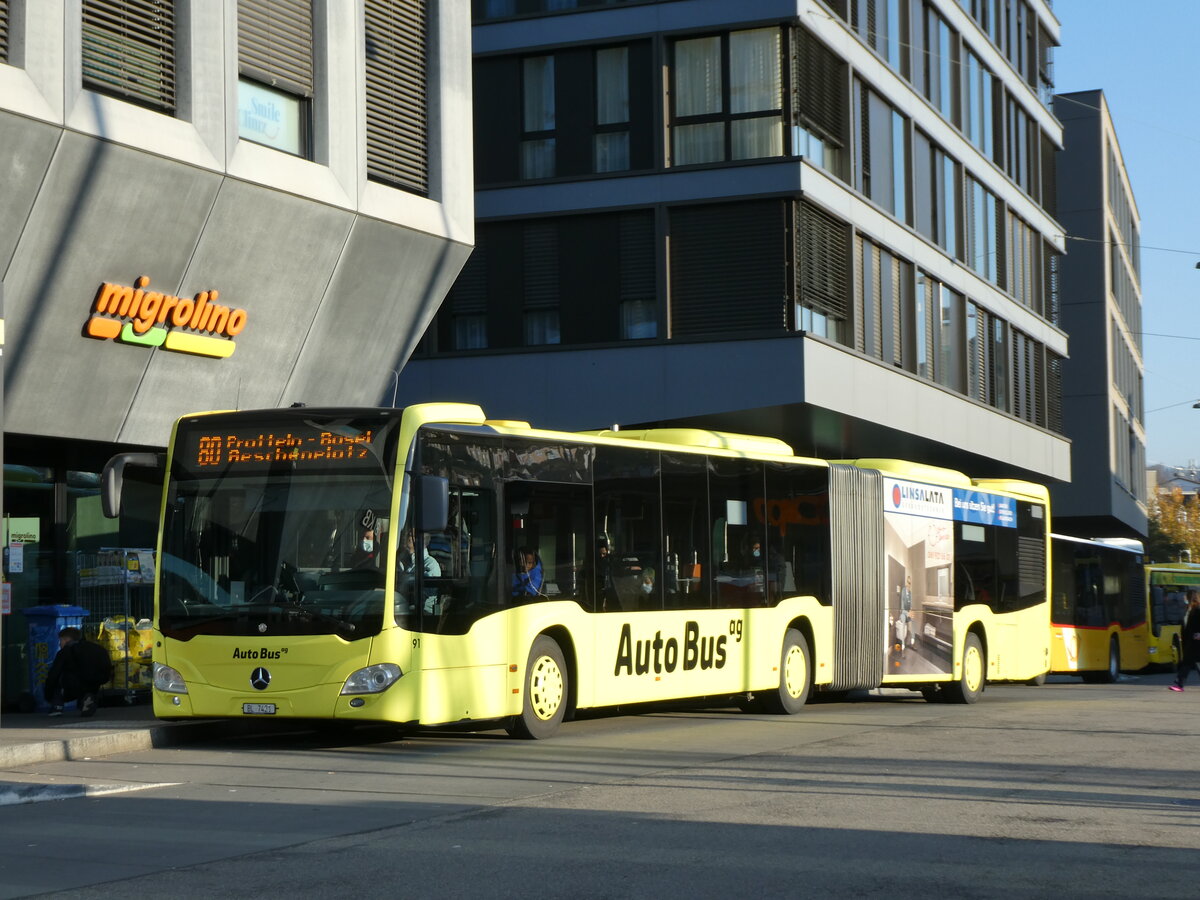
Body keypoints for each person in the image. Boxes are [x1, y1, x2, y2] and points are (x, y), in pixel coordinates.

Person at [44, 627, 113, 718]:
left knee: (58, 677)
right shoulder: (98, 648)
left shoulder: (65, 651)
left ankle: (57, 706)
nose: (60, 644)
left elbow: (54, 674)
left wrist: (48, 694)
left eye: (60, 640)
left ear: (66, 639)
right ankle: (86, 701)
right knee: (84, 685)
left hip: (74, 685)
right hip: (96, 683)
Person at [1169, 590, 1200, 691]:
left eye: (1185, 597)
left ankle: (1179, 684)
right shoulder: (1188, 609)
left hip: (1196, 642)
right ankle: (1179, 684)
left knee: (1186, 663)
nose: (1183, 598)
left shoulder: (1198, 609)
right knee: (1191, 663)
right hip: (1190, 642)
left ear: (1190, 597)